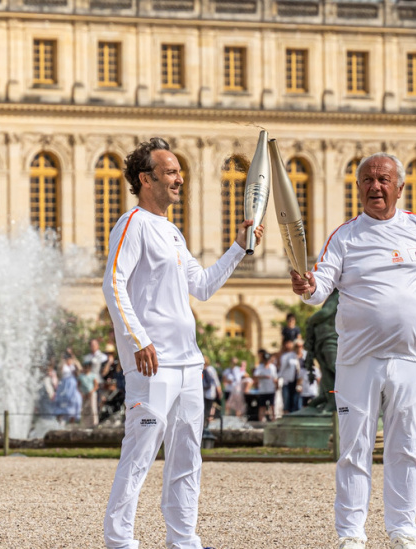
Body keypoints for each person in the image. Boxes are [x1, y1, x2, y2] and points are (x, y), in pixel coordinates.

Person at [291, 152, 416, 549]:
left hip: (410, 359)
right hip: (357, 361)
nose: (375, 186)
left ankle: (403, 530)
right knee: (354, 449)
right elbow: (320, 288)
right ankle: (351, 533)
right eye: (368, 180)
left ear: (399, 188)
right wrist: (307, 287)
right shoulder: (345, 236)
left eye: (384, 179)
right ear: (358, 187)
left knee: (405, 448)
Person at [102, 137, 263, 549]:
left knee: (188, 457)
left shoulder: (173, 232)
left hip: (189, 364)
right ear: (146, 179)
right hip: (152, 363)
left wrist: (239, 247)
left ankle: (183, 539)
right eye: (171, 172)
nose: (179, 179)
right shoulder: (132, 224)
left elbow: (203, 286)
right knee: (139, 455)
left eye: (179, 172)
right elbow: (114, 284)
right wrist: (139, 339)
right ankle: (119, 541)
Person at [278, 339, 302, 414]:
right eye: (297, 346)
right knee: (287, 402)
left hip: (300, 383)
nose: (299, 348)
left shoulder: (304, 356)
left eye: (300, 346)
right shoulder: (287, 356)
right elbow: (282, 369)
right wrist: (279, 379)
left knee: (297, 402)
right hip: (288, 382)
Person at [252, 349, 277, 421]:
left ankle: (273, 419)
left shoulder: (272, 367)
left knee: (272, 405)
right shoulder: (260, 367)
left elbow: (275, 377)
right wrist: (264, 377)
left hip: (271, 389)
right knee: (262, 406)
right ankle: (261, 420)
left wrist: (276, 385)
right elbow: (255, 376)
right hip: (263, 390)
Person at [78, 360, 100, 427]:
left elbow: (96, 386)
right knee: (84, 409)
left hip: (92, 393)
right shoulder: (81, 376)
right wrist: (81, 393)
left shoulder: (92, 375)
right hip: (84, 394)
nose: (86, 369)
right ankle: (85, 423)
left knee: (93, 408)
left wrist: (91, 392)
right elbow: (78, 386)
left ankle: (95, 423)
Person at [202, 356, 222, 428]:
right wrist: (219, 391)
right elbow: (216, 381)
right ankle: (206, 424)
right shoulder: (210, 369)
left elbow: (215, 381)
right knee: (208, 408)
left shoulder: (205, 369)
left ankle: (206, 424)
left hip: (205, 392)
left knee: (207, 408)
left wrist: (219, 391)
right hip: (209, 393)